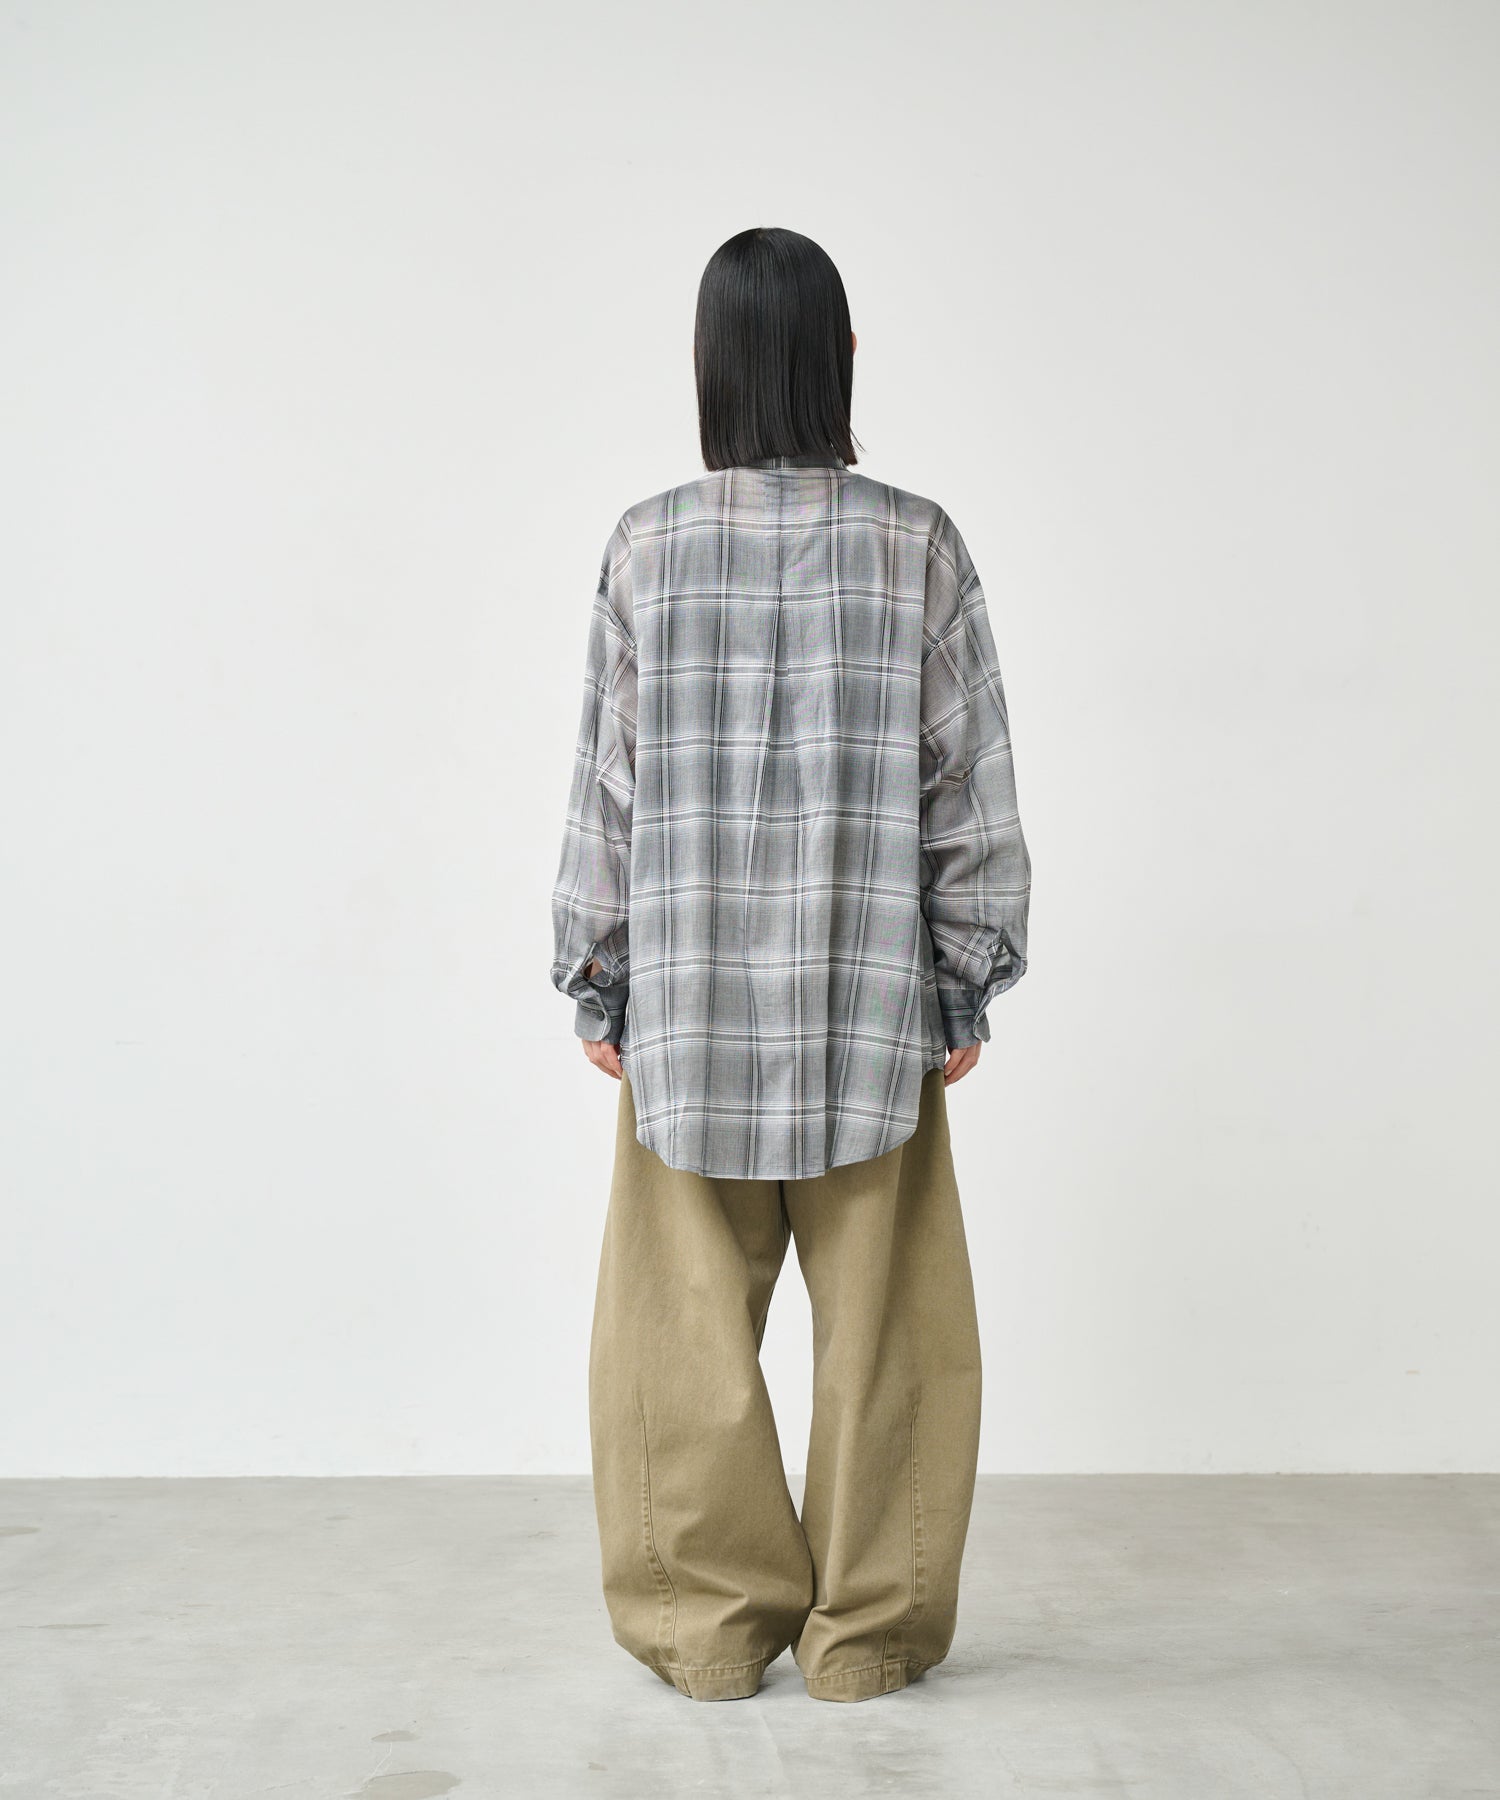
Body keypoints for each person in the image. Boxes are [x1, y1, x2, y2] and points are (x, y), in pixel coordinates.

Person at [549, 226, 1031, 1703]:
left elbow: (607, 789)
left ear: (707, 367)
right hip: (870, 1006)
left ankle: (708, 1631)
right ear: (844, 360)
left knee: (674, 1340)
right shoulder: (919, 542)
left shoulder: (646, 543)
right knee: (893, 1343)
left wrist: (598, 972)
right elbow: (970, 782)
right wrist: (966, 975)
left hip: (687, 1011)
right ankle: (867, 1638)